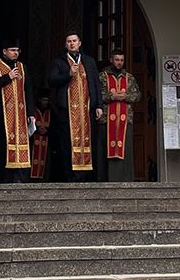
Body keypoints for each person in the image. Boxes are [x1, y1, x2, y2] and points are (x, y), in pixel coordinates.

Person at [48, 33, 102, 182]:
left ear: (79, 43)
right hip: (66, 111)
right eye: (69, 41)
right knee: (67, 144)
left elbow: (96, 84)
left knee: (89, 142)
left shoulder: (89, 61)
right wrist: (68, 74)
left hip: (87, 110)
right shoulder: (59, 62)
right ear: (66, 45)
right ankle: (70, 176)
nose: (72, 44)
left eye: (74, 41)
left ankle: (87, 177)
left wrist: (99, 105)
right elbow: (52, 80)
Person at [0, 39, 36, 183]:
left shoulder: (22, 67)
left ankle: (18, 178)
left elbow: (29, 91)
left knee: (21, 146)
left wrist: (31, 113)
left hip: (20, 115)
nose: (15, 53)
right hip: (0, 115)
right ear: (4, 51)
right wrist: (8, 77)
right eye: (12, 50)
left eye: (17, 50)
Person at [100, 49, 141, 182]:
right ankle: (105, 181)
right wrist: (112, 96)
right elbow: (97, 95)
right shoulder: (102, 76)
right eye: (117, 60)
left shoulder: (129, 77)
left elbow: (137, 95)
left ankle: (126, 180)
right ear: (111, 60)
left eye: (121, 60)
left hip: (125, 120)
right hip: (106, 119)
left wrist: (125, 96)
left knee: (126, 151)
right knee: (105, 151)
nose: (119, 63)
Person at [30, 91, 52, 180]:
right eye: (43, 100)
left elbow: (55, 127)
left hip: (47, 142)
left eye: (47, 100)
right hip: (34, 141)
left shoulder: (51, 112)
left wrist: (47, 131)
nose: (45, 102)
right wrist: (37, 130)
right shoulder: (33, 111)